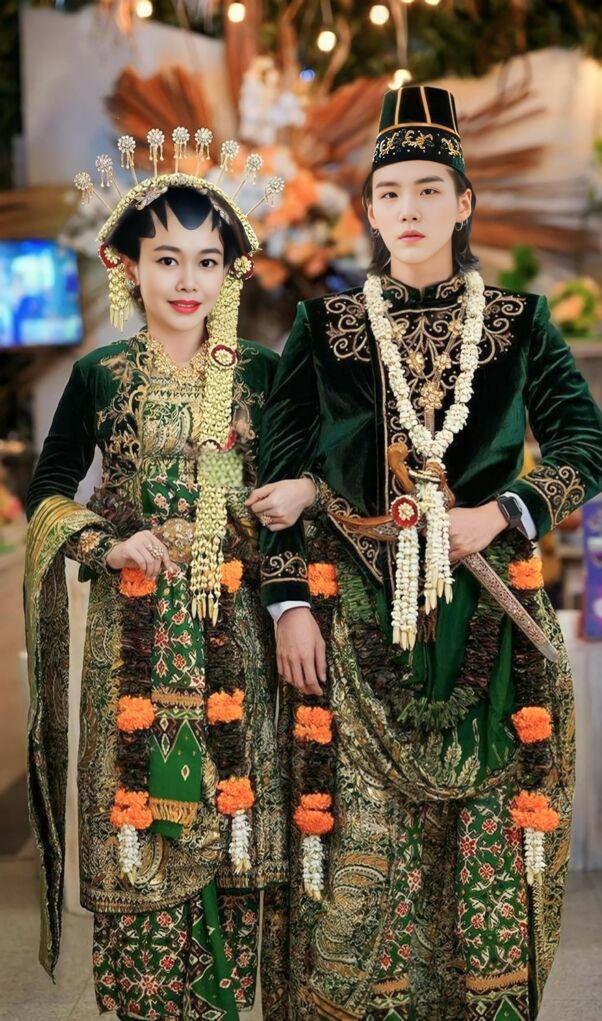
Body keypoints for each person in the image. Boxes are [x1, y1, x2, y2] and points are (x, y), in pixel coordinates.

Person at [252, 85, 602, 1020]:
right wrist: (289, 605)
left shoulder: (520, 323)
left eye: (427, 190)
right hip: (353, 625)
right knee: (359, 871)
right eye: (390, 193)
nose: (408, 209)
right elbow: (275, 475)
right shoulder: (324, 329)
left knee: (485, 857)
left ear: (464, 204)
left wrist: (502, 512)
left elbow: (587, 448)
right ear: (369, 212)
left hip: (488, 619)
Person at [24, 131, 289, 1020]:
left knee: (234, 817)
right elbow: (50, 489)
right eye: (167, 258)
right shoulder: (99, 377)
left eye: (207, 261)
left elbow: (308, 487)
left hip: (234, 632)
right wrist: (106, 544)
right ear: (127, 266)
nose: (187, 280)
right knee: (140, 817)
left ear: (230, 273)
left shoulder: (264, 375)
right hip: (131, 638)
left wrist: (291, 498)